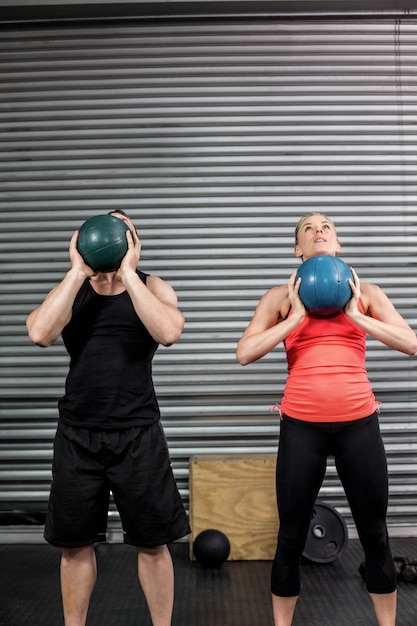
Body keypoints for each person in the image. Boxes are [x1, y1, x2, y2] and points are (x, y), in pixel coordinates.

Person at [236, 213, 417, 626]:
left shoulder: (366, 293)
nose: (319, 231)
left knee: (375, 535)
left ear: (337, 244)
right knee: (290, 536)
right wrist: (296, 318)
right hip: (302, 428)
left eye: (327, 227)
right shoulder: (280, 298)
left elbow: (410, 343)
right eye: (308, 228)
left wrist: (356, 316)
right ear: (298, 250)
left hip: (359, 426)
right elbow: (245, 353)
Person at [26, 210, 190, 626]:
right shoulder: (73, 290)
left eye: (125, 228)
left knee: (154, 544)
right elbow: (40, 333)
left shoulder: (153, 286)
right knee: (75, 546)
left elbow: (169, 332)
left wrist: (130, 275)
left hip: (138, 433)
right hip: (78, 434)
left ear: (133, 240)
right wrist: (77, 270)